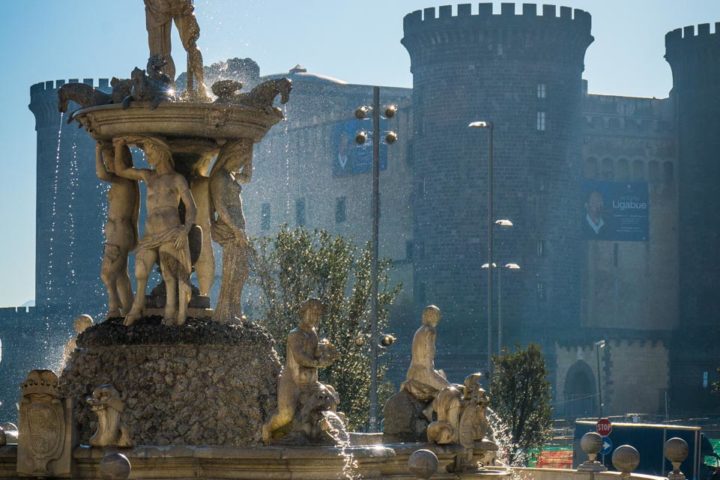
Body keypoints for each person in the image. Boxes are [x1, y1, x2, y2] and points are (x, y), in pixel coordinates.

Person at [113, 135, 197, 327]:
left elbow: (192, 207)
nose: (148, 157)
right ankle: (137, 307)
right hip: (150, 234)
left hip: (171, 231)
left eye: (150, 153)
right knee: (141, 270)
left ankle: (170, 313)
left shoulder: (177, 179)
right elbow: (121, 170)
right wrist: (119, 145)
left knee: (169, 274)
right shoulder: (148, 176)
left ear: (161, 153)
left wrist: (185, 230)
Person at [262, 298, 339, 443]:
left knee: (330, 398)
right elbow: (300, 358)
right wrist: (319, 362)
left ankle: (327, 429)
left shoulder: (313, 333)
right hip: (292, 382)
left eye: (318, 314)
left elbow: (315, 353)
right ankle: (267, 429)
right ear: (303, 312)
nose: (315, 317)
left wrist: (327, 352)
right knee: (286, 415)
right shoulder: (294, 334)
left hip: (311, 382)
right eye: (312, 313)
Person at [209, 140, 252, 322]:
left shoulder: (231, 175)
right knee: (232, 270)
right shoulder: (220, 177)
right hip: (230, 230)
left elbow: (248, 177)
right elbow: (220, 206)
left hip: (238, 230)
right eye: (239, 161)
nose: (240, 165)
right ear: (230, 156)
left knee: (242, 271)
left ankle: (236, 307)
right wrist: (235, 229)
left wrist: (250, 148)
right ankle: (225, 312)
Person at [95, 141, 139, 318]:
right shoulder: (123, 182)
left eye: (109, 161)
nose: (107, 165)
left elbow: (100, 174)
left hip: (120, 231)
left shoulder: (124, 180)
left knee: (107, 273)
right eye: (105, 161)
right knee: (120, 274)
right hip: (118, 232)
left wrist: (99, 149)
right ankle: (128, 308)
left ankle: (114, 309)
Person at [144, 0, 208, 98]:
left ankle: (167, 91)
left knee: (160, 54)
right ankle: (201, 87)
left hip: (157, 4)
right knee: (191, 44)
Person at [402, 304, 451, 402]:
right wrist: (433, 375)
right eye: (437, 315)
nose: (438, 318)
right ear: (433, 316)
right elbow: (428, 354)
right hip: (425, 373)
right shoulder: (430, 331)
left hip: (413, 372)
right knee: (451, 392)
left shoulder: (419, 331)